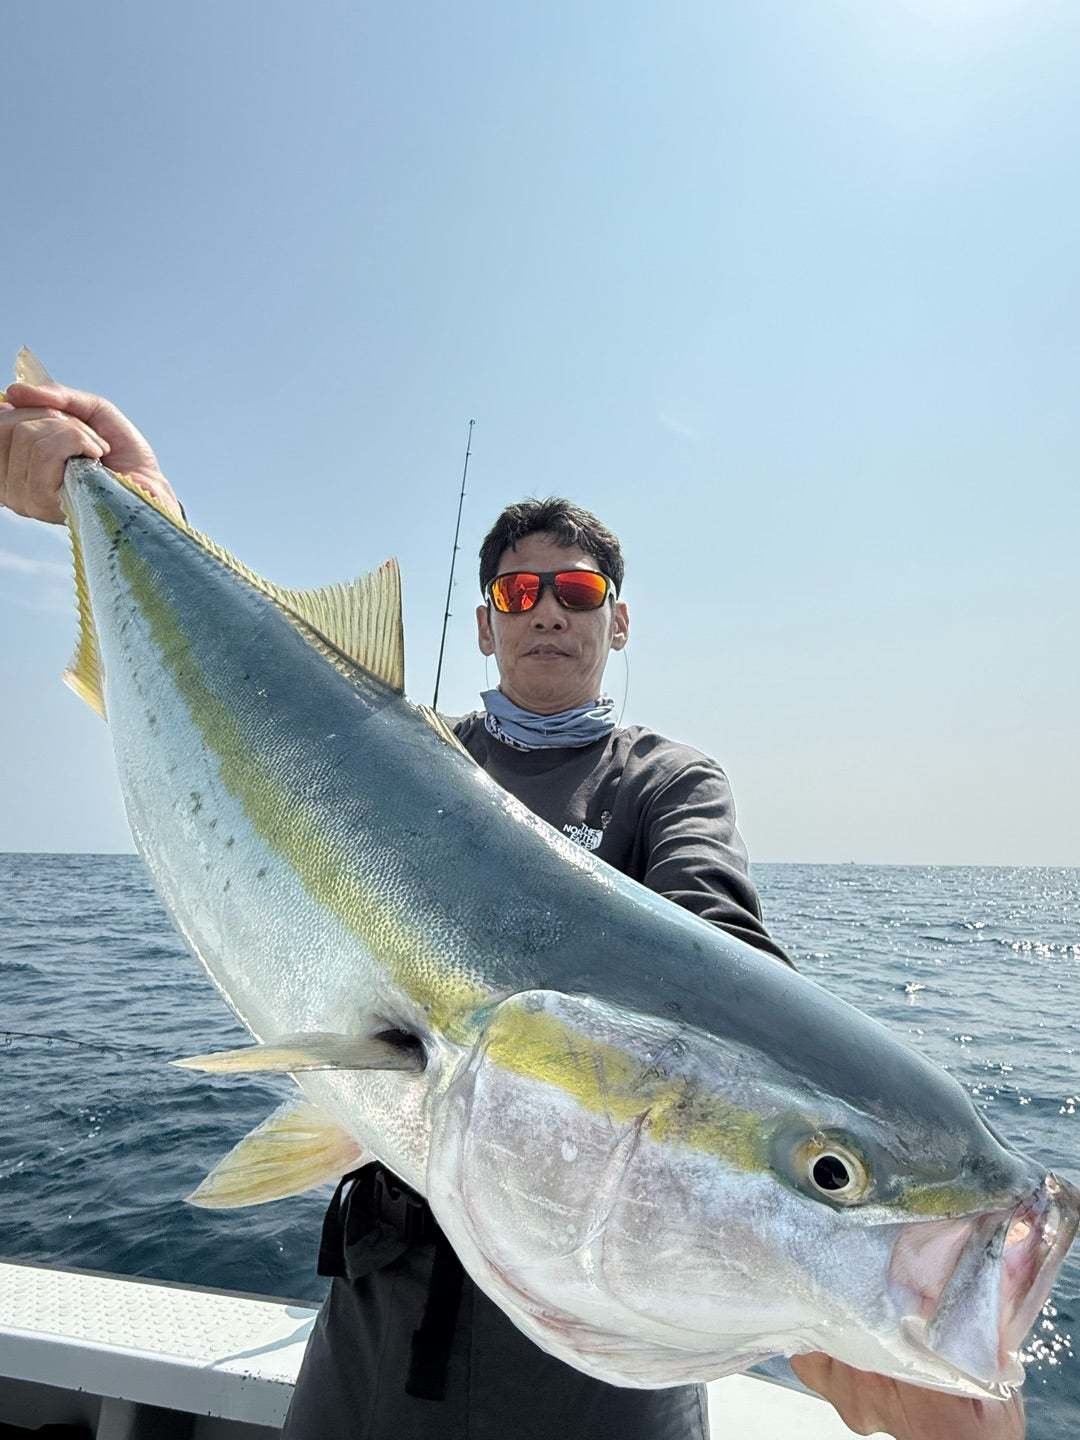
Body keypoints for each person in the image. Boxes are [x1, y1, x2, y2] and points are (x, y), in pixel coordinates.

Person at [0, 374, 1025, 1440]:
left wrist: (823, 1295)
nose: (546, 611)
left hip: (608, 1369)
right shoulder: (386, 755)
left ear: (617, 621)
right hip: (385, 1303)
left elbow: (725, 973)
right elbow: (234, 713)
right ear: (487, 625)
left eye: (576, 592)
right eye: (517, 592)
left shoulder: (665, 783)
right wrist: (137, 511)